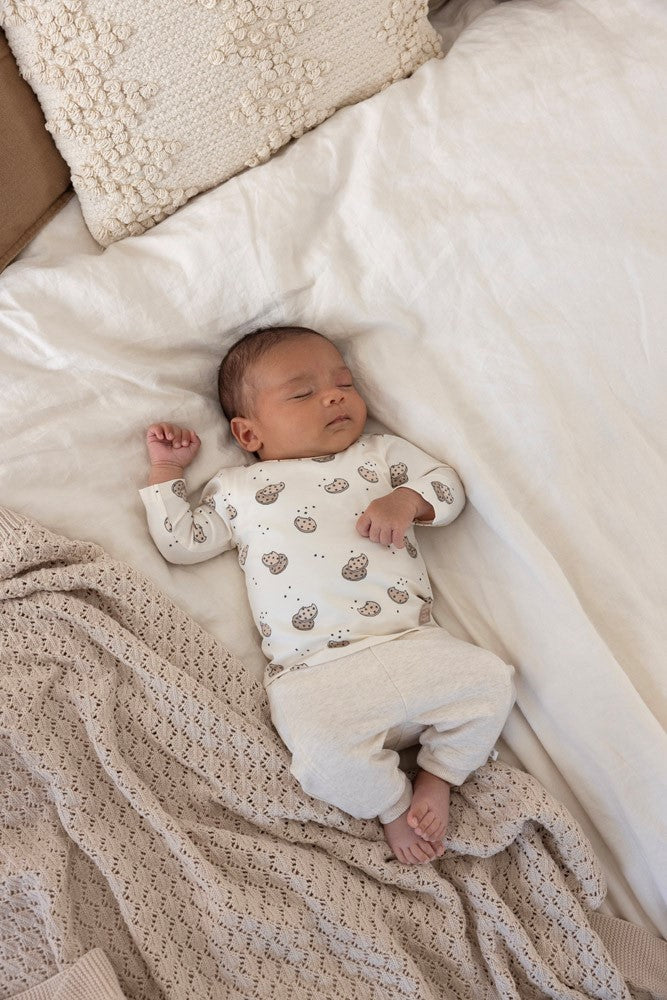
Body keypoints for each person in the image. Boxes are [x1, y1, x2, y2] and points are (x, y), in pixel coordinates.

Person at [140, 326, 515, 864]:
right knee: (318, 758)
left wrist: (407, 500)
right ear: (248, 434)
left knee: (490, 681)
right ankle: (391, 806)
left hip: (412, 643)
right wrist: (166, 471)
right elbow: (182, 543)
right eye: (302, 392)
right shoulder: (235, 490)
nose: (334, 395)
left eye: (343, 382)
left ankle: (440, 773)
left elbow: (448, 485)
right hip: (314, 670)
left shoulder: (378, 456)